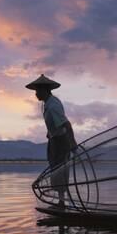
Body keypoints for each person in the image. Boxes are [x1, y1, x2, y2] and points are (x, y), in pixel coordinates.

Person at [25, 74, 77, 207]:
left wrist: (73, 144)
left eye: (37, 91)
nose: (36, 94)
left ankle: (62, 202)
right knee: (56, 169)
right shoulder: (47, 103)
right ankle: (61, 201)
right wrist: (50, 134)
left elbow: (67, 125)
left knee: (60, 170)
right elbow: (56, 124)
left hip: (61, 141)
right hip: (55, 140)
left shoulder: (53, 105)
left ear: (45, 90)